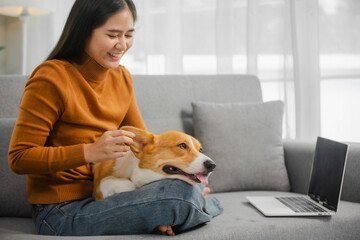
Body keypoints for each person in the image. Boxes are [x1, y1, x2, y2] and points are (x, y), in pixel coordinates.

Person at [8, 0, 222, 236]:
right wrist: (90, 151)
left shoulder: (122, 78)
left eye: (129, 34)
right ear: (83, 31)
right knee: (181, 197)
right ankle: (184, 208)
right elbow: (19, 158)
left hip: (109, 198)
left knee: (184, 186)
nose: (122, 45)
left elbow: (146, 151)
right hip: (60, 211)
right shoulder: (51, 78)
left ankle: (177, 208)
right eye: (112, 35)